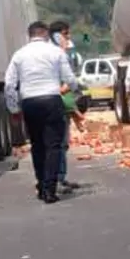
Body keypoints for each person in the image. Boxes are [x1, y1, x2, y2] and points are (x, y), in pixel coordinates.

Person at [5, 21, 78, 204]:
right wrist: (76, 92)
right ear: (45, 34)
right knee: (53, 145)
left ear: (30, 35)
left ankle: (41, 184)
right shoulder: (55, 52)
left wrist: (14, 109)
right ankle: (49, 190)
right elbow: (69, 77)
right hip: (52, 100)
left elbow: (9, 84)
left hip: (30, 102)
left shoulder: (19, 55)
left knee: (37, 145)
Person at [49, 21, 85, 193]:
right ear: (56, 36)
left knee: (51, 144)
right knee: (59, 144)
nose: (68, 37)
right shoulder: (57, 55)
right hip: (58, 105)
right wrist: (74, 110)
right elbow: (69, 83)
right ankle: (56, 179)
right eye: (65, 34)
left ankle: (51, 179)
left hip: (50, 104)